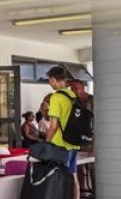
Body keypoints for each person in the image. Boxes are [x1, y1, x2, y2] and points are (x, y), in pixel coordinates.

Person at [45, 66, 82, 199]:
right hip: (73, 143)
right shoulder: (72, 95)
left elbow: (53, 126)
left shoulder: (56, 97)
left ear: (53, 79)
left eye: (50, 81)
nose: (50, 84)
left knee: (59, 180)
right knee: (72, 176)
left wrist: (47, 143)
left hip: (60, 145)